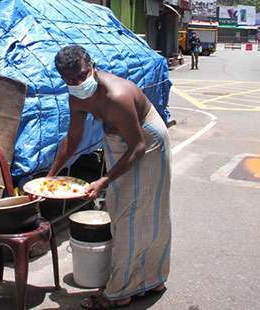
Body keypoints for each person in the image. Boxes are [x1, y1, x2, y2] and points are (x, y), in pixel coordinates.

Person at [51, 45, 172, 309]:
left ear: (92, 65)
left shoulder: (116, 95)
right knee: (123, 210)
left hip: (147, 144)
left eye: (82, 75)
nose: (78, 83)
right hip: (121, 143)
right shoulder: (77, 96)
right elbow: (72, 141)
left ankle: (120, 292)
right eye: (70, 80)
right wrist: (48, 179)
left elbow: (138, 146)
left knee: (135, 214)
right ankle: (149, 279)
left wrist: (104, 180)